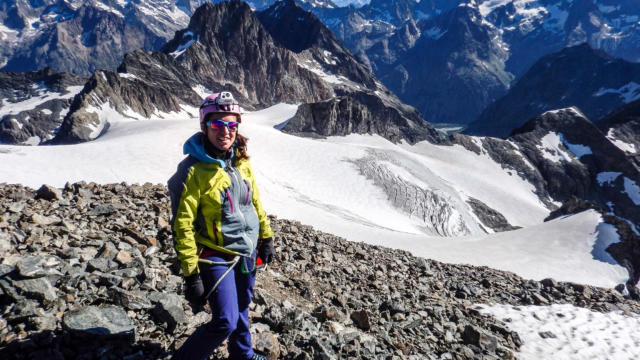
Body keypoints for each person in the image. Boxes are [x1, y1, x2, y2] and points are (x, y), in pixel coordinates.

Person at [168, 91, 275, 360]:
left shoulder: (241, 161)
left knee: (241, 307)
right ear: (205, 126)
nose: (225, 131)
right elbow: (182, 225)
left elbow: (254, 202)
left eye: (231, 125)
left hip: (246, 250)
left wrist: (266, 235)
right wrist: (191, 274)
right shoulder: (192, 171)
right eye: (217, 124)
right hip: (215, 254)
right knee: (225, 321)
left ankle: (242, 355)